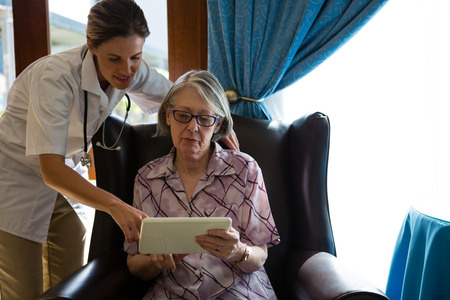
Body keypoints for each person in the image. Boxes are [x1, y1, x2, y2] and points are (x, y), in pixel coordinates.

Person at [0, 1, 237, 299]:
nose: (126, 70)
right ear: (91, 46)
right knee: (24, 290)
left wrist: (220, 119)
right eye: (114, 58)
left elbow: (181, 95)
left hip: (63, 180)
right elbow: (51, 168)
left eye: (135, 57)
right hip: (14, 179)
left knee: (70, 286)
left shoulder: (128, 67)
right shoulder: (55, 77)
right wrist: (115, 205)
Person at [124, 70, 280, 299]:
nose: (193, 127)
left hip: (238, 292)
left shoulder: (246, 170)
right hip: (173, 294)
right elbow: (134, 264)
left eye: (205, 118)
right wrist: (154, 263)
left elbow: (261, 255)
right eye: (183, 115)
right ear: (168, 116)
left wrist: (239, 251)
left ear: (217, 125)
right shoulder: (147, 179)